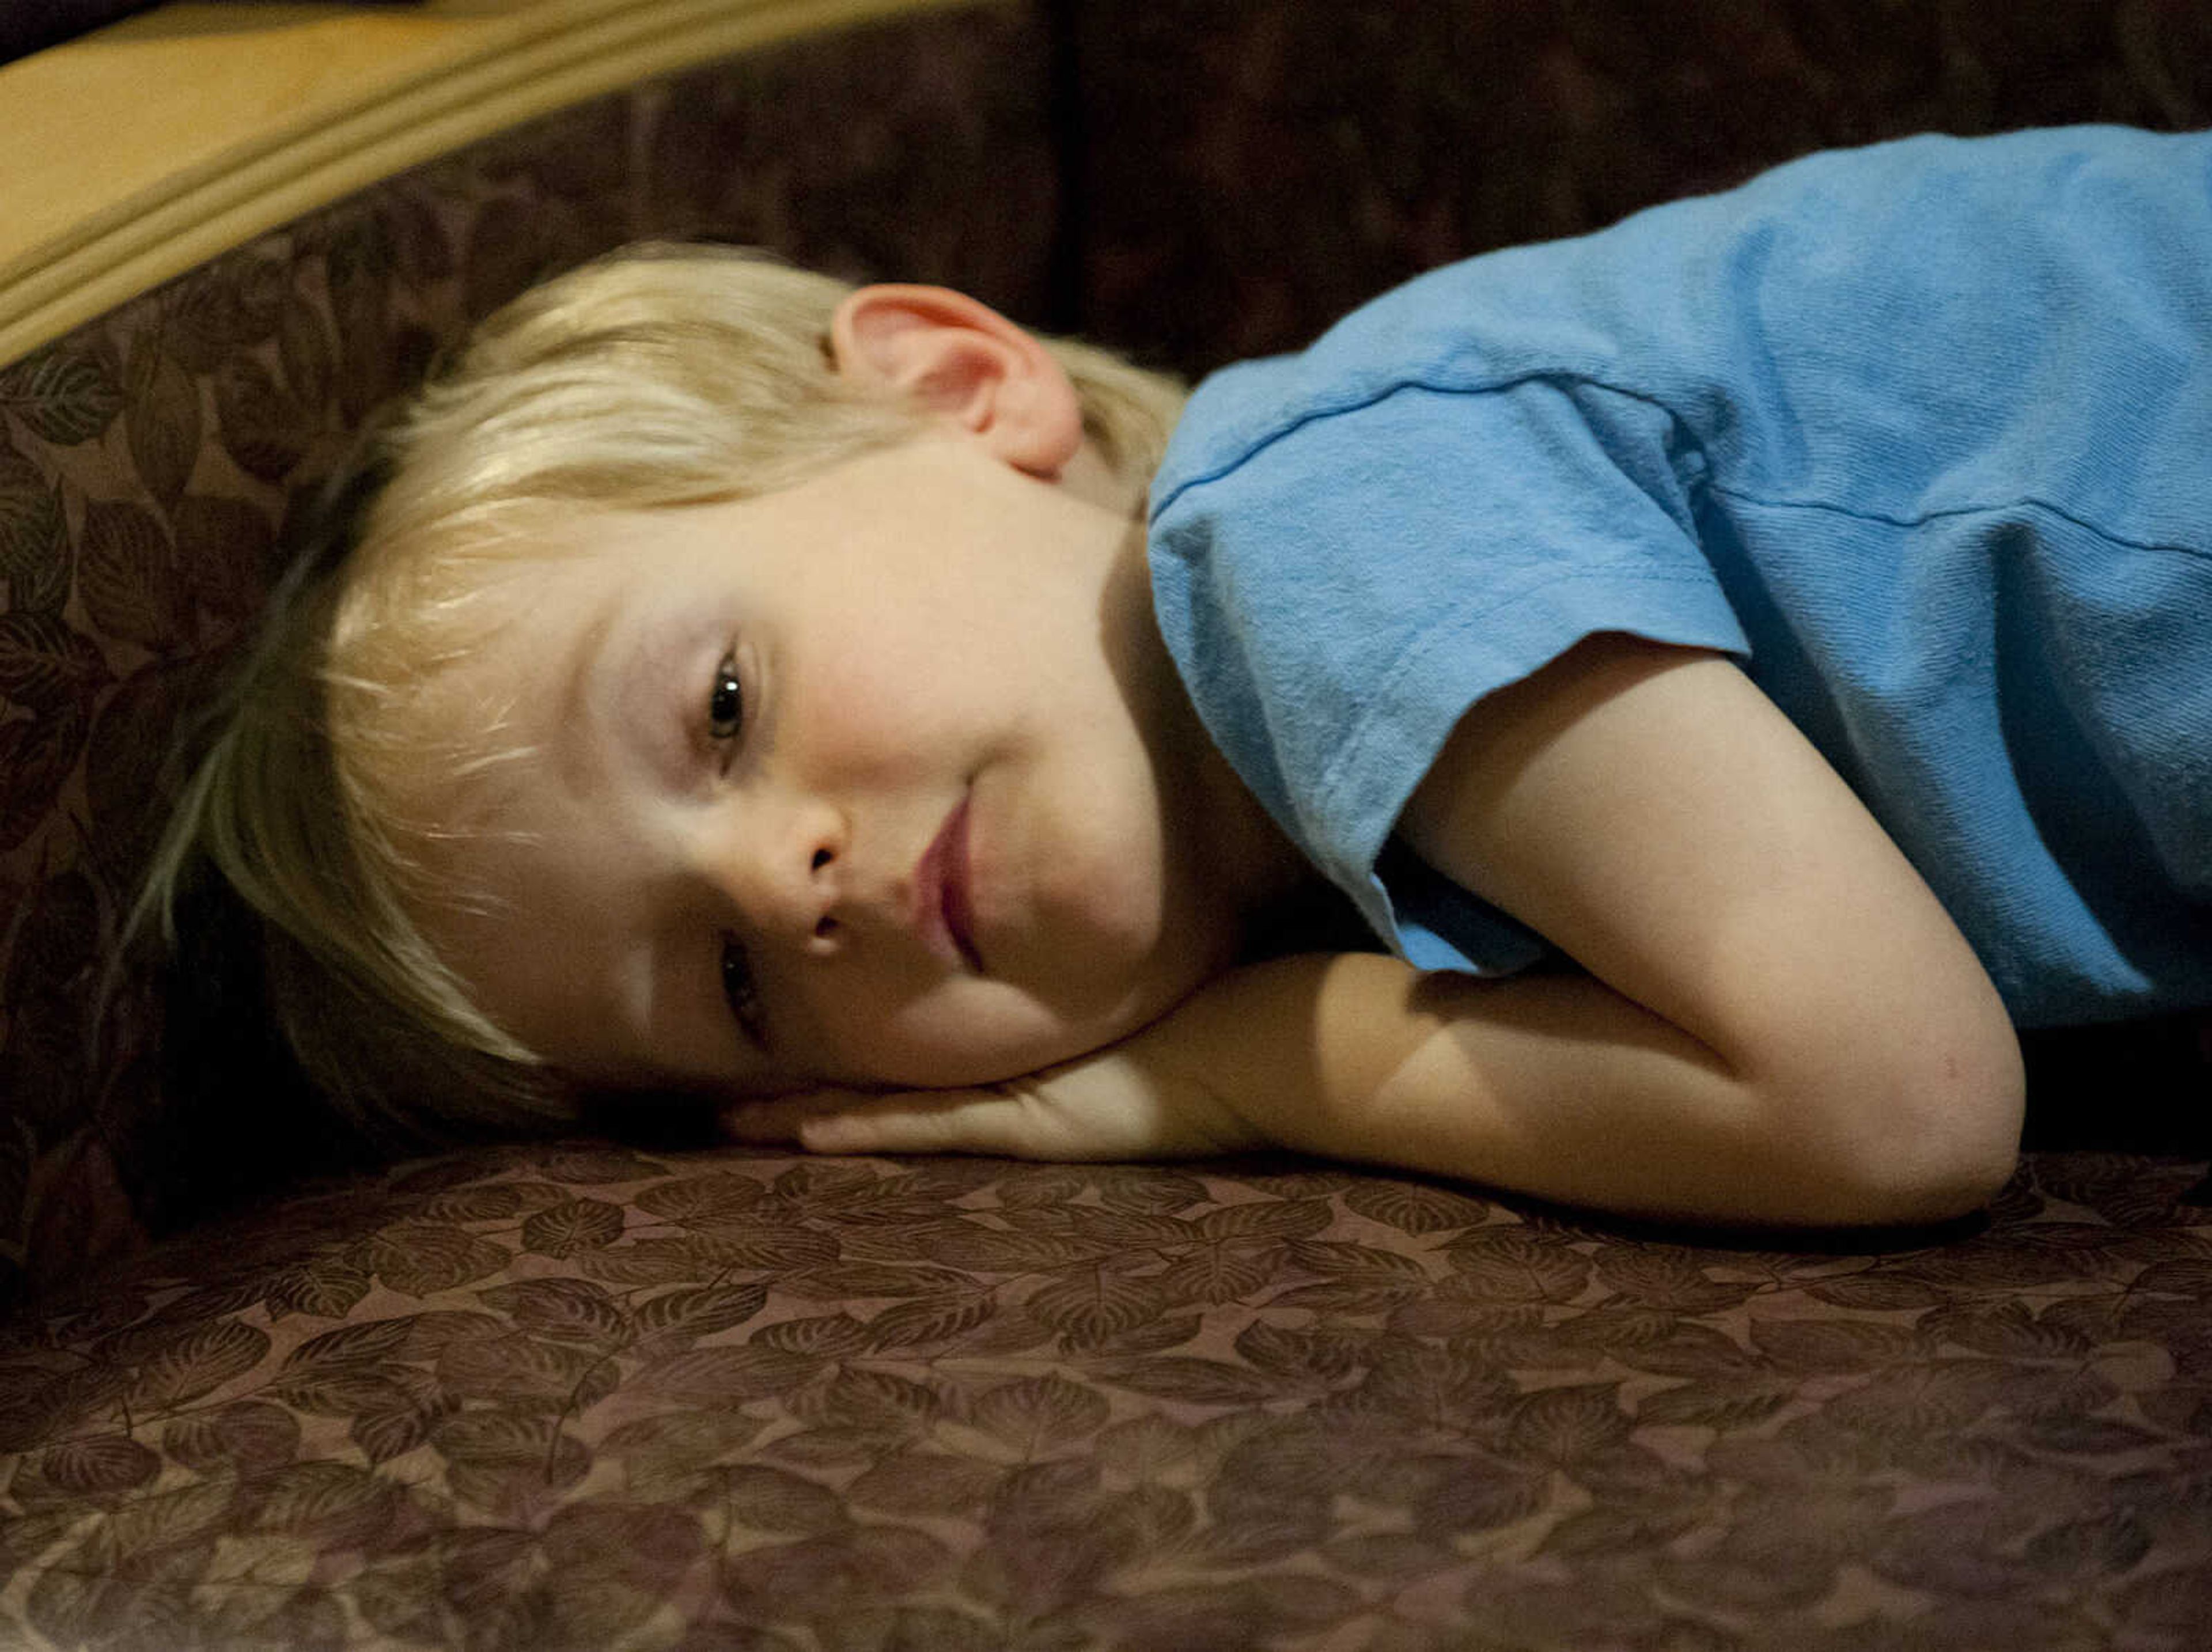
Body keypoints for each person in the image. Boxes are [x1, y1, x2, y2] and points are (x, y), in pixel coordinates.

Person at [149, 124, 2211, 1229]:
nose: (796, 883)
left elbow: (1897, 1104)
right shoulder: (1341, 764)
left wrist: (1238, 1064)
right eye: (739, 988)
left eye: (721, 714)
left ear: (962, 387)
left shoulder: (1319, 519)